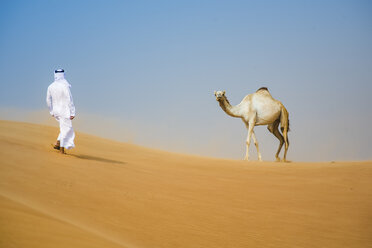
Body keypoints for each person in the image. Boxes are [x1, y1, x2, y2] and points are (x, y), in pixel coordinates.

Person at [46, 69, 76, 154]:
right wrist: (73, 112)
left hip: (56, 111)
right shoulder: (64, 86)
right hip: (64, 110)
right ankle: (61, 150)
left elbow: (48, 100)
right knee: (66, 129)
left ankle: (57, 143)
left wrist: (51, 111)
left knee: (64, 127)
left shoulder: (50, 86)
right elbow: (69, 99)